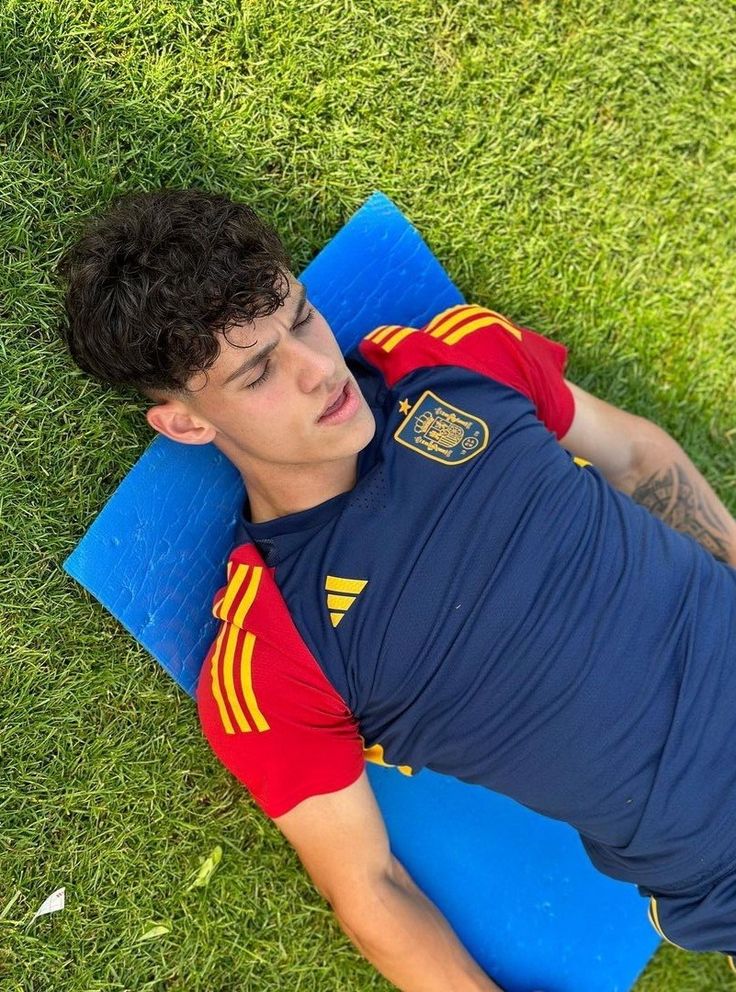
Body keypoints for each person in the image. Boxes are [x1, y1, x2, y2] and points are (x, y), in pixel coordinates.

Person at [57, 187, 736, 991]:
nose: (320, 370)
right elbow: (372, 891)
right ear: (186, 423)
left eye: (302, 318)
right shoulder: (271, 652)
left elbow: (636, 459)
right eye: (259, 372)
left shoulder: (455, 360)